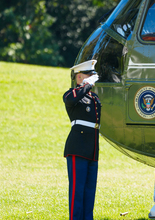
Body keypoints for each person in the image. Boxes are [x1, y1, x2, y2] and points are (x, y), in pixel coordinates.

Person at [63, 60, 102, 220]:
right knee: (77, 190)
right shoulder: (72, 94)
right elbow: (71, 99)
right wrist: (85, 86)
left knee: (89, 190)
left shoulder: (93, 97)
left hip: (92, 148)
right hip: (77, 147)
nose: (93, 78)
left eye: (93, 75)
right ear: (79, 77)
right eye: (89, 75)